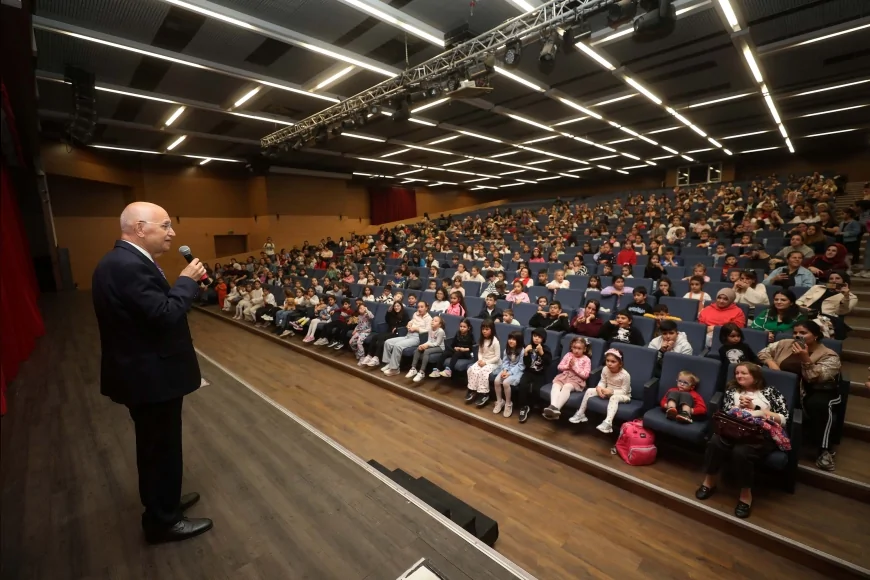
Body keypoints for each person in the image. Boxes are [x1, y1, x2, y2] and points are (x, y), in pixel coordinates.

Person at [91, 202, 213, 543]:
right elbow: (163, 316)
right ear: (140, 228)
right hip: (150, 377)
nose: (172, 233)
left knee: (160, 446)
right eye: (166, 226)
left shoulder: (125, 261)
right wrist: (186, 283)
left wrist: (184, 288)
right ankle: (162, 521)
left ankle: (167, 503)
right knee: (160, 450)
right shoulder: (127, 266)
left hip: (147, 373)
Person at [696, 363, 790, 518]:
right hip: (734, 430)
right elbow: (726, 414)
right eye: (737, 373)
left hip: (759, 434)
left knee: (741, 452)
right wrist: (737, 407)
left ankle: (745, 494)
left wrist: (757, 409)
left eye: (743, 373)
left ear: (755, 375)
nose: (739, 376)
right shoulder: (733, 391)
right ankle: (709, 481)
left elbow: (783, 419)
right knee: (715, 442)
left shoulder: (771, 392)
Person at [758, 321, 842, 472]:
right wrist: (772, 364)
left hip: (816, 390)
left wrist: (805, 357)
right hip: (787, 386)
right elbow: (763, 352)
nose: (798, 336)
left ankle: (824, 449)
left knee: (819, 405)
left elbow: (814, 378)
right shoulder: (785, 343)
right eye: (796, 333)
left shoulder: (829, 355)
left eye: (803, 333)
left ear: (816, 335)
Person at [569, 347, 631, 434]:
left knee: (614, 398)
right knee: (589, 390)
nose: (609, 363)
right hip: (607, 391)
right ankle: (581, 413)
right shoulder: (605, 369)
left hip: (623, 395)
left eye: (613, 361)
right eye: (607, 360)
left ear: (620, 363)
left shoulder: (625, 375)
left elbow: (624, 391)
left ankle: (608, 423)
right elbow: (602, 382)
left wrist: (612, 392)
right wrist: (599, 388)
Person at [543, 336, 591, 420]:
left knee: (567, 387)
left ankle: (557, 409)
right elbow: (559, 367)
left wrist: (574, 367)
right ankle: (552, 406)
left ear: (584, 349)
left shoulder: (586, 359)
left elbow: (586, 375)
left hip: (576, 379)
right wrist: (567, 366)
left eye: (579, 348)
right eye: (574, 348)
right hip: (564, 376)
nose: (576, 350)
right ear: (571, 347)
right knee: (556, 385)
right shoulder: (568, 355)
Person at [382, 302, 432, 376]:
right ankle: (389, 363)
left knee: (397, 346)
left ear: (426, 308)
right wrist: (409, 323)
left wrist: (416, 329)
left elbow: (428, 331)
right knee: (388, 342)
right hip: (408, 335)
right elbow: (412, 321)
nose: (419, 309)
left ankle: (395, 369)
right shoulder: (415, 314)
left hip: (417, 338)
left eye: (422, 307)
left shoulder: (429, 318)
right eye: (418, 307)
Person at [515, 328, 553, 423]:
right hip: (529, 371)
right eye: (535, 336)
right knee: (523, 385)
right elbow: (526, 363)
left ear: (543, 339)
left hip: (540, 373)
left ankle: (532, 406)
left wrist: (542, 353)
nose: (536, 338)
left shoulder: (546, 348)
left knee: (537, 389)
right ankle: (524, 407)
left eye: (539, 337)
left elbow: (548, 362)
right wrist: (526, 353)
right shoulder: (528, 346)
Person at [362, 300, 409, 367]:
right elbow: (387, 320)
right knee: (375, 337)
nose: (396, 307)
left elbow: (406, 324)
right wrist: (388, 312)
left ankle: (376, 357)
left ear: (401, 306)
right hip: (389, 331)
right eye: (395, 306)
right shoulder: (392, 313)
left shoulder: (405, 314)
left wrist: (397, 327)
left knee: (381, 338)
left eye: (398, 306)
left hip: (398, 333)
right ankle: (369, 355)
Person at [465, 319, 501, 406]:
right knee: (472, 369)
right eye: (483, 329)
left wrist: (485, 362)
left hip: (493, 362)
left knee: (483, 372)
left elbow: (497, 357)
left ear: (492, 330)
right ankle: (472, 389)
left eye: (487, 329)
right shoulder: (482, 339)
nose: (484, 331)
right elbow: (480, 352)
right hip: (483, 360)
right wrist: (480, 360)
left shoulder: (495, 341)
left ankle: (484, 394)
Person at [492, 330, 525, 418]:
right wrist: (505, 370)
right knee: (496, 381)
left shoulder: (522, 351)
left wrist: (509, 373)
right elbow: (505, 361)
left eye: (514, 339)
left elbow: (521, 366)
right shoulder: (507, 349)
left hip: (517, 371)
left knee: (506, 383)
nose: (511, 341)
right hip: (507, 370)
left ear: (519, 341)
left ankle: (508, 403)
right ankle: (499, 401)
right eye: (510, 339)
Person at [406, 316, 446, 382]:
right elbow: (429, 340)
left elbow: (437, 343)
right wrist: (423, 345)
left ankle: (422, 372)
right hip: (431, 345)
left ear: (440, 324)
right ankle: (413, 369)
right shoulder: (430, 329)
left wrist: (427, 346)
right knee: (418, 348)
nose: (433, 321)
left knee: (426, 351)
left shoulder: (440, 331)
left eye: (435, 321)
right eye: (432, 320)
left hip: (440, 348)